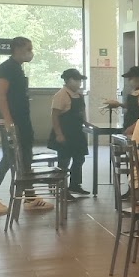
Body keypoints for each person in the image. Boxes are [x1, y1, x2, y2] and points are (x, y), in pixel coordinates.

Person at [0, 37, 51, 214]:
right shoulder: (6, 68)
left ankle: (30, 197)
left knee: (26, 158)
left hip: (22, 121)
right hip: (12, 122)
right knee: (9, 158)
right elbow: (1, 95)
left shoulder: (18, 68)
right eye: (28, 49)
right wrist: (9, 122)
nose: (31, 52)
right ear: (18, 49)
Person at [49, 68, 89, 196]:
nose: (79, 83)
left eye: (80, 81)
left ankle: (75, 185)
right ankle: (62, 188)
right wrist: (58, 134)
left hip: (77, 132)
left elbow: (81, 114)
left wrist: (87, 123)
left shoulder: (79, 95)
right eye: (76, 80)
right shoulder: (61, 95)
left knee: (79, 158)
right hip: (65, 132)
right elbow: (54, 116)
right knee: (64, 161)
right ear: (69, 80)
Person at [106, 66, 139, 135]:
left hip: (138, 129)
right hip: (128, 125)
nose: (129, 80)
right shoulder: (135, 90)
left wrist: (132, 128)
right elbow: (132, 107)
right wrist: (119, 104)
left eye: (130, 78)